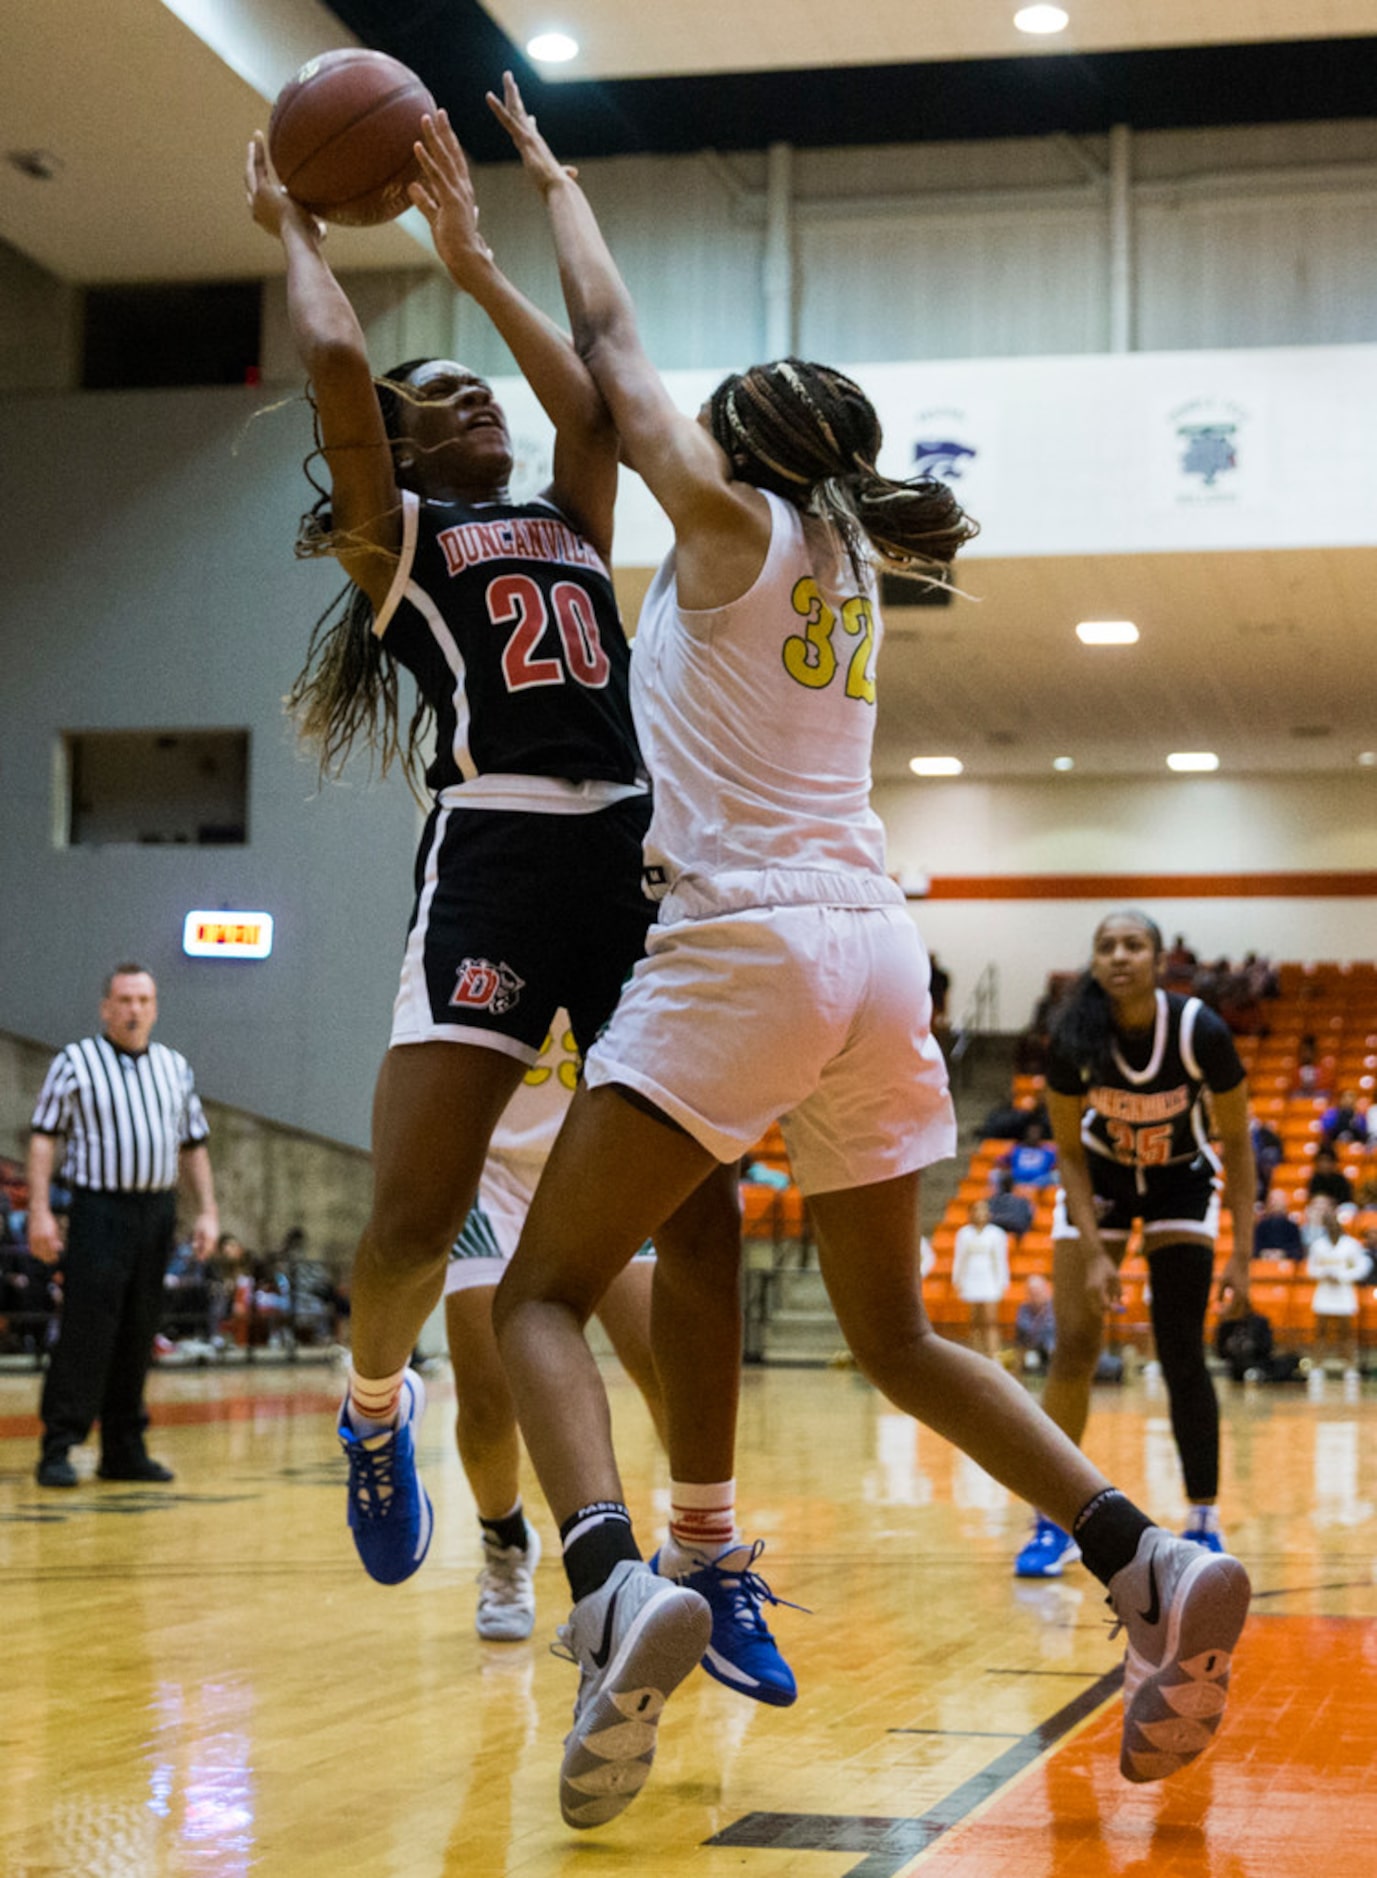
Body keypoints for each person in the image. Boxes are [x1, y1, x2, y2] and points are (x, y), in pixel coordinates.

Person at [485, 76, 1251, 1828]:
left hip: (742, 941)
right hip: (874, 956)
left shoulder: (736, 524)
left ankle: (615, 1579)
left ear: (741, 449)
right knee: (896, 1332)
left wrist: (548, 184)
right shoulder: (845, 544)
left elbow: (607, 341)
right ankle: (1134, 1553)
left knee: (534, 1284)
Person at [244, 113, 760, 1679]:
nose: (467, 391)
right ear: (398, 460)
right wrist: (301, 240)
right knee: (408, 1223)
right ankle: (372, 1401)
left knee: (706, 1211)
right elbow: (339, 378)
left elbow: (593, 404)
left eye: (471, 380)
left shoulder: (568, 520)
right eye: (437, 397)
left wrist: (474, 261)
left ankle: (708, 1543)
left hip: (620, 860)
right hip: (489, 860)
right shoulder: (397, 543)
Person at [1026, 911, 1256, 1576]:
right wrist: (1096, 1254)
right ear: (1093, 960)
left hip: (1179, 1183)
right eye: (1106, 946)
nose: (1119, 955)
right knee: (1073, 1342)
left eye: (1133, 945)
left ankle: (1204, 1521)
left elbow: (1236, 1141)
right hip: (1097, 1180)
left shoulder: (1197, 1032)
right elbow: (1067, 1150)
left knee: (1180, 1344)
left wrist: (1242, 1254)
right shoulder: (1072, 1038)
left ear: (1158, 959)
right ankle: (1051, 1519)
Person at [445, 1011, 664, 1641]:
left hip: (602, 1154)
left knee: (663, 1362)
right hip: (491, 1171)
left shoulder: (637, 914)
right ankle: (505, 1539)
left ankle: (696, 1546)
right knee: (487, 1401)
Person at [26, 963, 218, 1486]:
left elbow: (194, 1144)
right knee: (88, 1326)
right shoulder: (75, 1061)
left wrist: (208, 1211)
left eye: (144, 1000)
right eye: (125, 999)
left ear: (154, 1007)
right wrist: (41, 1210)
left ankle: (123, 1447)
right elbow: (44, 1137)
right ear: (106, 1007)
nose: (134, 1009)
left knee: (139, 1330)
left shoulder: (174, 1067)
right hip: (98, 1209)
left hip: (156, 1211)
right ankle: (59, 1445)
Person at [1306, 1208, 1369, 1376]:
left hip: (1344, 1292)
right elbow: (1311, 1268)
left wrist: (1342, 1276)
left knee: (1346, 1332)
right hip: (1324, 1291)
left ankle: (1349, 1366)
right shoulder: (1318, 1246)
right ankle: (1317, 1366)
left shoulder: (1351, 1245)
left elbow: (1362, 1267)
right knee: (1320, 1331)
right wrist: (1324, 1274)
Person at [951, 1199, 1010, 1360]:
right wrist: (957, 1280)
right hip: (971, 1278)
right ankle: (977, 1355)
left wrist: (1002, 1282)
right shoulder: (963, 1233)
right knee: (975, 1321)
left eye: (983, 1210)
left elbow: (1000, 1259)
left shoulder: (997, 1233)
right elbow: (959, 1258)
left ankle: (994, 1355)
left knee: (991, 1321)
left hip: (989, 1278)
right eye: (976, 1210)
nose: (980, 1214)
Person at [1014, 1272, 1057, 1371]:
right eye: (1032, 1293)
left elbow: (1051, 1329)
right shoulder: (1023, 1309)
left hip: (1053, 1350)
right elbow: (1023, 1328)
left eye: (1038, 1293)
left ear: (1047, 1291)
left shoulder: (1055, 1308)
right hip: (1032, 1350)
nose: (1035, 1297)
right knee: (1031, 1366)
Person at [1001, 1118, 1059, 1189]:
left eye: (1036, 1132)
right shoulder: (1016, 1149)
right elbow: (1002, 1161)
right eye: (1032, 1132)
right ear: (1027, 1133)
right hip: (1017, 1181)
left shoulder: (1048, 1151)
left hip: (1039, 1182)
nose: (1034, 1135)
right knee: (998, 1174)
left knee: (1056, 1175)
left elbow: (1056, 1165)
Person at [1252, 1191, 1304, 1262]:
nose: (1277, 1204)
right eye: (1274, 1200)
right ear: (1269, 1203)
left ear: (1285, 1203)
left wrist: (1283, 1254)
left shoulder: (1293, 1228)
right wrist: (1265, 1253)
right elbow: (1254, 1249)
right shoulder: (1261, 1227)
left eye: (1280, 1200)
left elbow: (1298, 1252)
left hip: (1287, 1267)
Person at [986, 1166, 1034, 1241]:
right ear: (1013, 1186)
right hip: (1013, 1228)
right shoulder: (1023, 1201)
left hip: (1011, 1227)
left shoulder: (992, 1200)